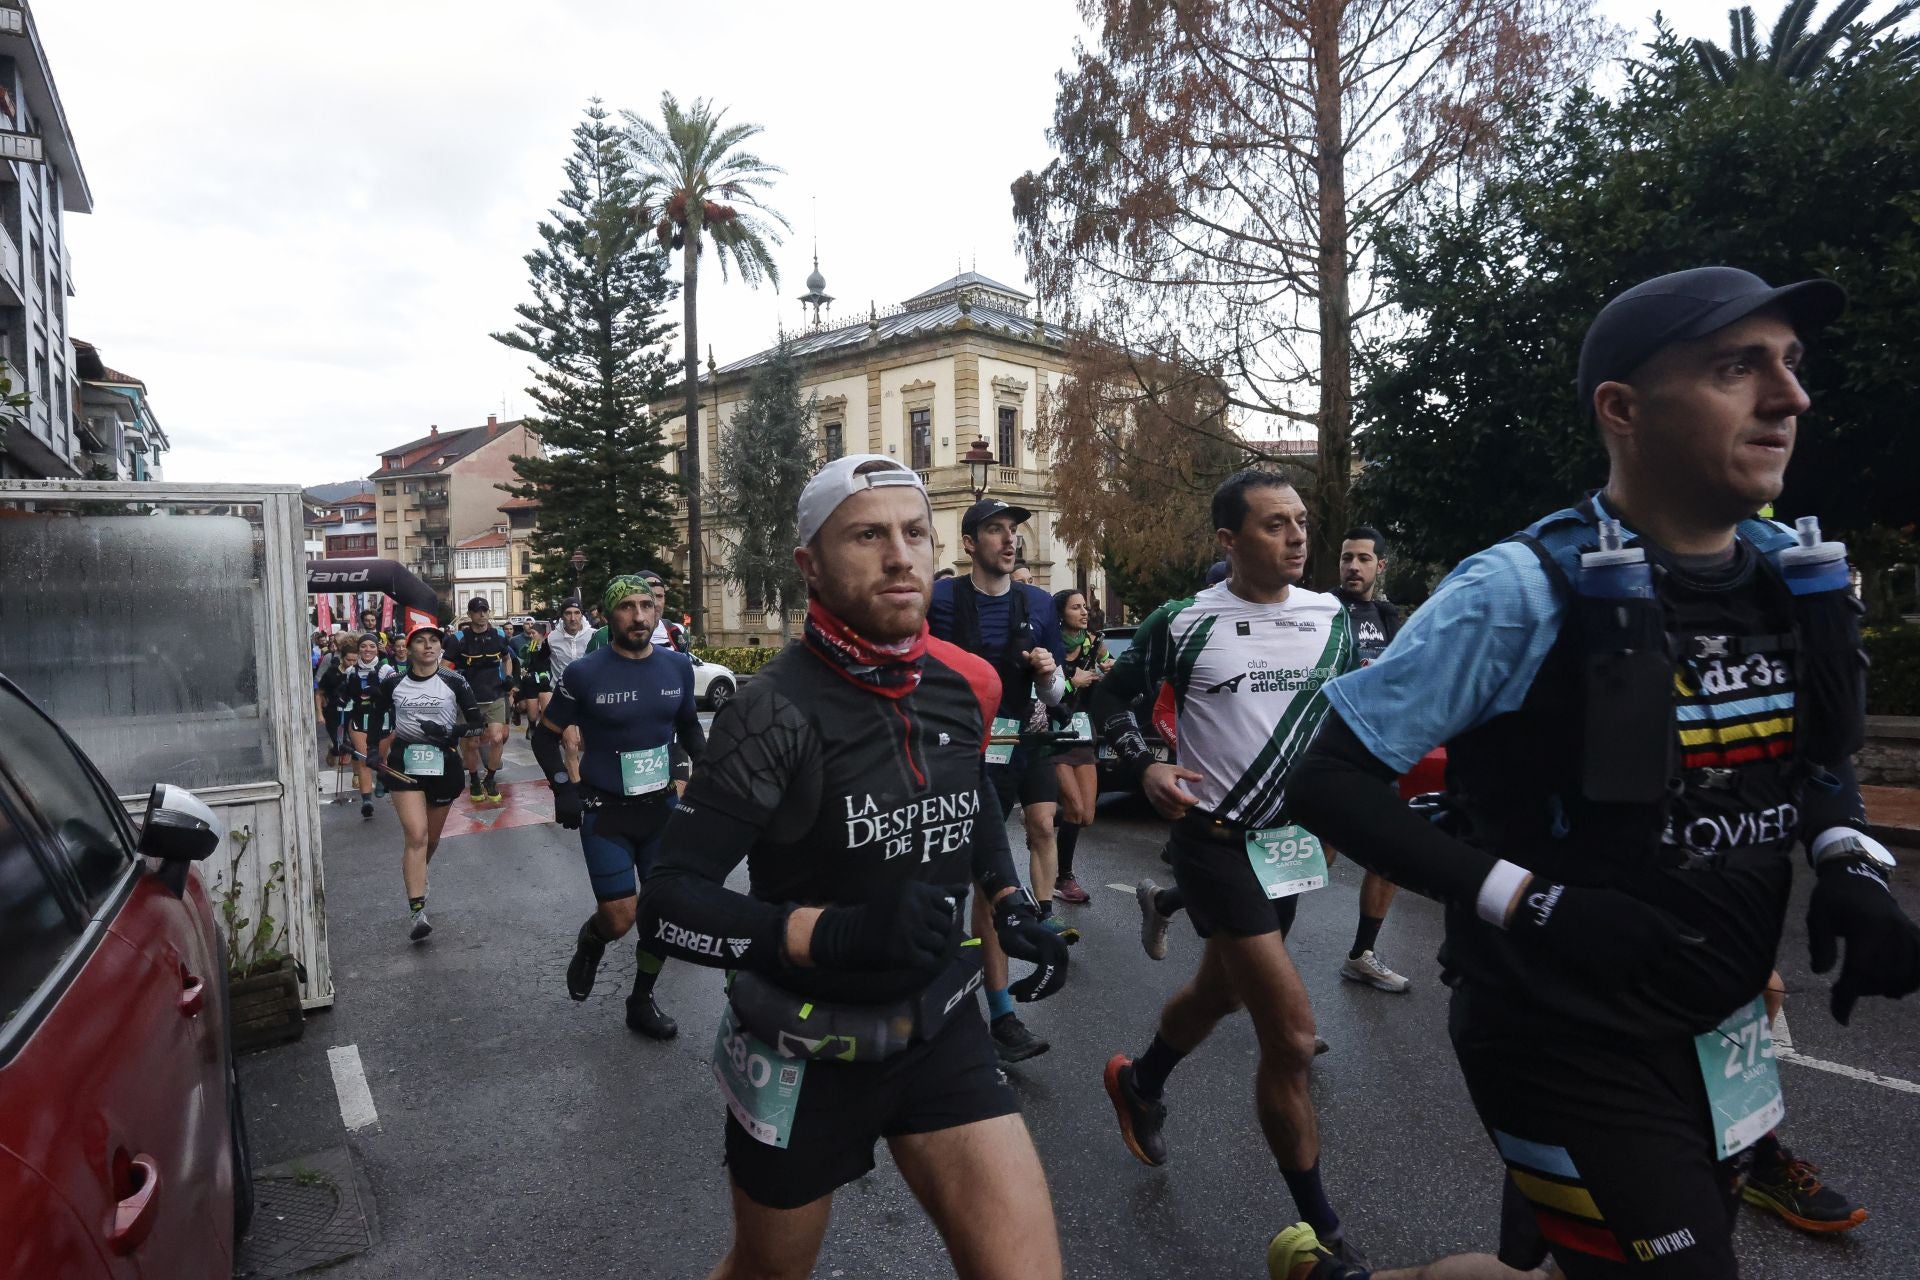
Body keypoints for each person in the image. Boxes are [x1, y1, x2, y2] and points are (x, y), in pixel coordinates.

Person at [1287, 267, 1920, 1278]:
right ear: (1622, 410)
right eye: (1736, 367)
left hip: (1718, 1030)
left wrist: (1846, 854)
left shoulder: (1784, 572)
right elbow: (1322, 781)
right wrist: (1531, 901)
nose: (1791, 396)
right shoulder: (1516, 589)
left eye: (1791, 366)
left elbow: (1814, 751)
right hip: (1560, 1036)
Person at [639, 454, 1069, 1280]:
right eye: (867, 535)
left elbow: (965, 792)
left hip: (940, 1027)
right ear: (810, 564)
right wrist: (827, 936)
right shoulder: (771, 710)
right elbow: (669, 903)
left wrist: (1008, 894)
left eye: (914, 533)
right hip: (802, 1051)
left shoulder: (963, 683)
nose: (900, 555)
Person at [1092, 469, 1364, 1265]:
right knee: (1292, 1036)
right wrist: (1143, 764)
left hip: (1285, 849)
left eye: (1301, 523)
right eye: (1275, 524)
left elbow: (1342, 719)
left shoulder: (1332, 617)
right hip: (1212, 843)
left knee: (1217, 994)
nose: (1297, 538)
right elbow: (1110, 697)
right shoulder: (1183, 623)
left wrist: (1342, 812)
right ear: (1228, 540)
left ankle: (1141, 1080)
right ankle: (1328, 1236)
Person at [929, 497, 1072, 1065]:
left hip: (1016, 751)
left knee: (993, 888)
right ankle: (941, 1005)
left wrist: (1047, 675)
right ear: (969, 544)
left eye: (1012, 530)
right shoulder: (940, 600)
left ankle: (1000, 1014)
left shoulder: (1038, 604)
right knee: (947, 892)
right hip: (949, 760)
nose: (1009, 540)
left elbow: (1061, 702)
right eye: (994, 530)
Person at [531, 576, 703, 1040]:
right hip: (606, 812)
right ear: (607, 616)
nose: (641, 616)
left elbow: (689, 728)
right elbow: (544, 736)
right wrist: (564, 787)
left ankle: (641, 999)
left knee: (662, 913)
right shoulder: (585, 673)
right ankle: (592, 942)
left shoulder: (677, 667)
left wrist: (707, 776)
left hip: (660, 809)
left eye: (647, 605)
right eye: (628, 607)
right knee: (620, 918)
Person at [1327, 526, 1413, 996]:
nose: (1352, 567)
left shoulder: (1386, 615)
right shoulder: (1321, 610)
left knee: (1389, 857)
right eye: (1346, 557)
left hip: (1375, 754)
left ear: (1381, 565)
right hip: (1328, 753)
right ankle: (1191, 907)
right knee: (1307, 861)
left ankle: (1361, 954)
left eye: (1363, 559)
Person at [369, 620, 486, 942]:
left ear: (441, 647)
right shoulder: (394, 682)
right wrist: (371, 751)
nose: (428, 645)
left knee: (429, 841)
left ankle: (419, 871)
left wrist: (452, 732)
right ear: (408, 648)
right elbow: (377, 715)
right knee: (416, 835)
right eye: (420, 641)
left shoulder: (454, 681)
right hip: (404, 764)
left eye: (433, 640)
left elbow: (478, 724)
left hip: (444, 764)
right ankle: (417, 911)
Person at [1050, 588, 1109, 905]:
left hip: (1083, 729)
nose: (1084, 612)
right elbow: (1040, 691)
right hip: (1054, 731)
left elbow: (1109, 661)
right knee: (1073, 808)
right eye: (1076, 607)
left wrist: (1111, 669)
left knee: (1085, 815)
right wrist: (1075, 682)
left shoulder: (1094, 642)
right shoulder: (1050, 646)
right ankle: (1064, 878)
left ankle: (1042, 818)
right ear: (1061, 613)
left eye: (1085, 607)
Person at [441, 597, 517, 803]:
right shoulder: (459, 639)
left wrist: (508, 677)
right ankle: (474, 778)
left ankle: (490, 778)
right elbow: (444, 666)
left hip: (494, 695)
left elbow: (507, 657)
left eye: (485, 610)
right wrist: (454, 688)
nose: (482, 614)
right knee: (471, 743)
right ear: (470, 614)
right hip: (469, 699)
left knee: (497, 738)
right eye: (477, 611)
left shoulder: (499, 635)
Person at [335, 633, 397, 819]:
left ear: (377, 647)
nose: (367, 650)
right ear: (358, 649)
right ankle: (366, 801)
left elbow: (396, 693)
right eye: (363, 646)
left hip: (383, 720)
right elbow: (343, 695)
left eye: (371, 646)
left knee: (378, 758)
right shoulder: (350, 671)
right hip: (359, 721)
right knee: (365, 760)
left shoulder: (386, 669)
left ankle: (381, 778)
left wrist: (379, 691)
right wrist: (342, 696)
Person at [315, 634, 357, 769]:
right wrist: (319, 714)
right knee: (339, 745)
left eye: (354, 661)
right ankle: (334, 750)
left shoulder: (358, 673)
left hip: (352, 712)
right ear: (342, 658)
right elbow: (319, 693)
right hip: (333, 713)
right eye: (349, 660)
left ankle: (356, 774)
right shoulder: (331, 673)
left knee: (354, 745)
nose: (351, 663)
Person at [515, 621, 553, 732]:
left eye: (533, 633)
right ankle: (530, 726)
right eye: (530, 633)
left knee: (546, 711)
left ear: (542, 634)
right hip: (530, 682)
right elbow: (521, 667)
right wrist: (523, 676)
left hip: (546, 682)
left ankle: (542, 733)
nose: (531, 636)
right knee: (529, 711)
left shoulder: (551, 647)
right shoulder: (527, 648)